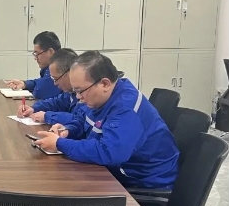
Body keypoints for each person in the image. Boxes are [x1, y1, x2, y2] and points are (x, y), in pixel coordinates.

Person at [35, 51, 180, 189]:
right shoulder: (100, 98)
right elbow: (83, 121)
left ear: (105, 84)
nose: (78, 97)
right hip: (117, 172)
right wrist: (68, 131)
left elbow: (109, 152)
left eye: (80, 91)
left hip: (143, 182)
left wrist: (59, 144)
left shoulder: (126, 108)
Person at [16, 48, 87, 126]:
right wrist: (33, 108)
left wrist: (47, 116)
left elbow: (80, 119)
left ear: (70, 73)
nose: (55, 83)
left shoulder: (86, 94)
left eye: (56, 79)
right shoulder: (70, 92)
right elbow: (57, 102)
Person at [5, 31, 62, 99]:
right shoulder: (48, 68)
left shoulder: (59, 69)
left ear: (50, 52)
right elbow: (41, 82)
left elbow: (39, 92)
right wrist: (24, 84)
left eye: (37, 54)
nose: (35, 58)